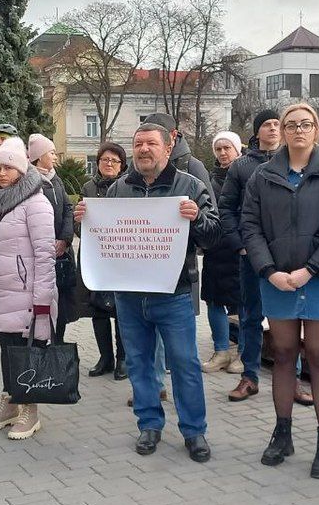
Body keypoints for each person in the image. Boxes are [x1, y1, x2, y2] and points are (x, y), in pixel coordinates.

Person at [74, 123, 220, 462]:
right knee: (138, 363)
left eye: (151, 144)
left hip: (174, 293)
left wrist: (197, 218)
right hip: (129, 295)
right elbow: (101, 239)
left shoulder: (190, 186)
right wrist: (83, 220)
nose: (143, 150)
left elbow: (214, 235)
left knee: (184, 364)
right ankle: (149, 424)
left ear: (167, 148)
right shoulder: (118, 189)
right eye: (138, 144)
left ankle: (194, 431)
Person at [241, 104, 319, 478]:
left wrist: (311, 269)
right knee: (285, 352)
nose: (299, 131)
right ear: (282, 132)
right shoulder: (263, 175)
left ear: (316, 129)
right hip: (277, 280)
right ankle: (282, 432)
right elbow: (251, 227)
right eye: (291, 125)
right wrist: (269, 270)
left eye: (306, 124)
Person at [219, 110, 313, 404]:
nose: (273, 128)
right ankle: (249, 376)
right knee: (250, 316)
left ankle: (293, 381)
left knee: (290, 318)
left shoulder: (298, 164)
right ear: (257, 132)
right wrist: (241, 245)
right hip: (252, 257)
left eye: (277, 124)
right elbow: (227, 209)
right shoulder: (242, 167)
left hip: (289, 259)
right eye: (267, 125)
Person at [0, 137, 58, 440]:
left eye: (8, 167)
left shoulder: (36, 203)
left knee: (30, 352)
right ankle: (11, 400)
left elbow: (44, 253)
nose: (1, 173)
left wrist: (42, 299)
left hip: (28, 294)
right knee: (6, 350)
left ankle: (30, 409)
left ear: (22, 170)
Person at [78, 142, 127, 379]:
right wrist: (79, 220)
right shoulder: (88, 188)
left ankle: (123, 359)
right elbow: (80, 227)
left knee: (120, 309)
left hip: (120, 257)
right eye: (104, 160)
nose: (109, 164)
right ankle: (105, 357)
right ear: (98, 163)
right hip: (95, 256)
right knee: (97, 308)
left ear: (122, 165)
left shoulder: (128, 187)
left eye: (114, 161)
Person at [200, 131, 242, 374]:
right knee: (213, 301)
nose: (223, 153)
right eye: (219, 149)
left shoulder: (247, 174)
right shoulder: (209, 179)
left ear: (237, 150)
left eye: (227, 148)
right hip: (215, 250)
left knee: (243, 304)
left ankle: (244, 353)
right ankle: (221, 351)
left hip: (239, 249)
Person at [27, 134, 75, 344]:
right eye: (52, 152)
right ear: (39, 156)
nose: (55, 156)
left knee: (61, 302)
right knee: (42, 300)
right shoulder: (28, 180)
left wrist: (64, 239)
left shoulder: (56, 179)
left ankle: (58, 340)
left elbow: (67, 208)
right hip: (39, 253)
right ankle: (38, 343)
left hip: (60, 252)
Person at [141, 112, 212, 194]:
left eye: (161, 136)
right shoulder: (137, 164)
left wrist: (196, 207)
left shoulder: (192, 166)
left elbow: (209, 204)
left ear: (174, 135)